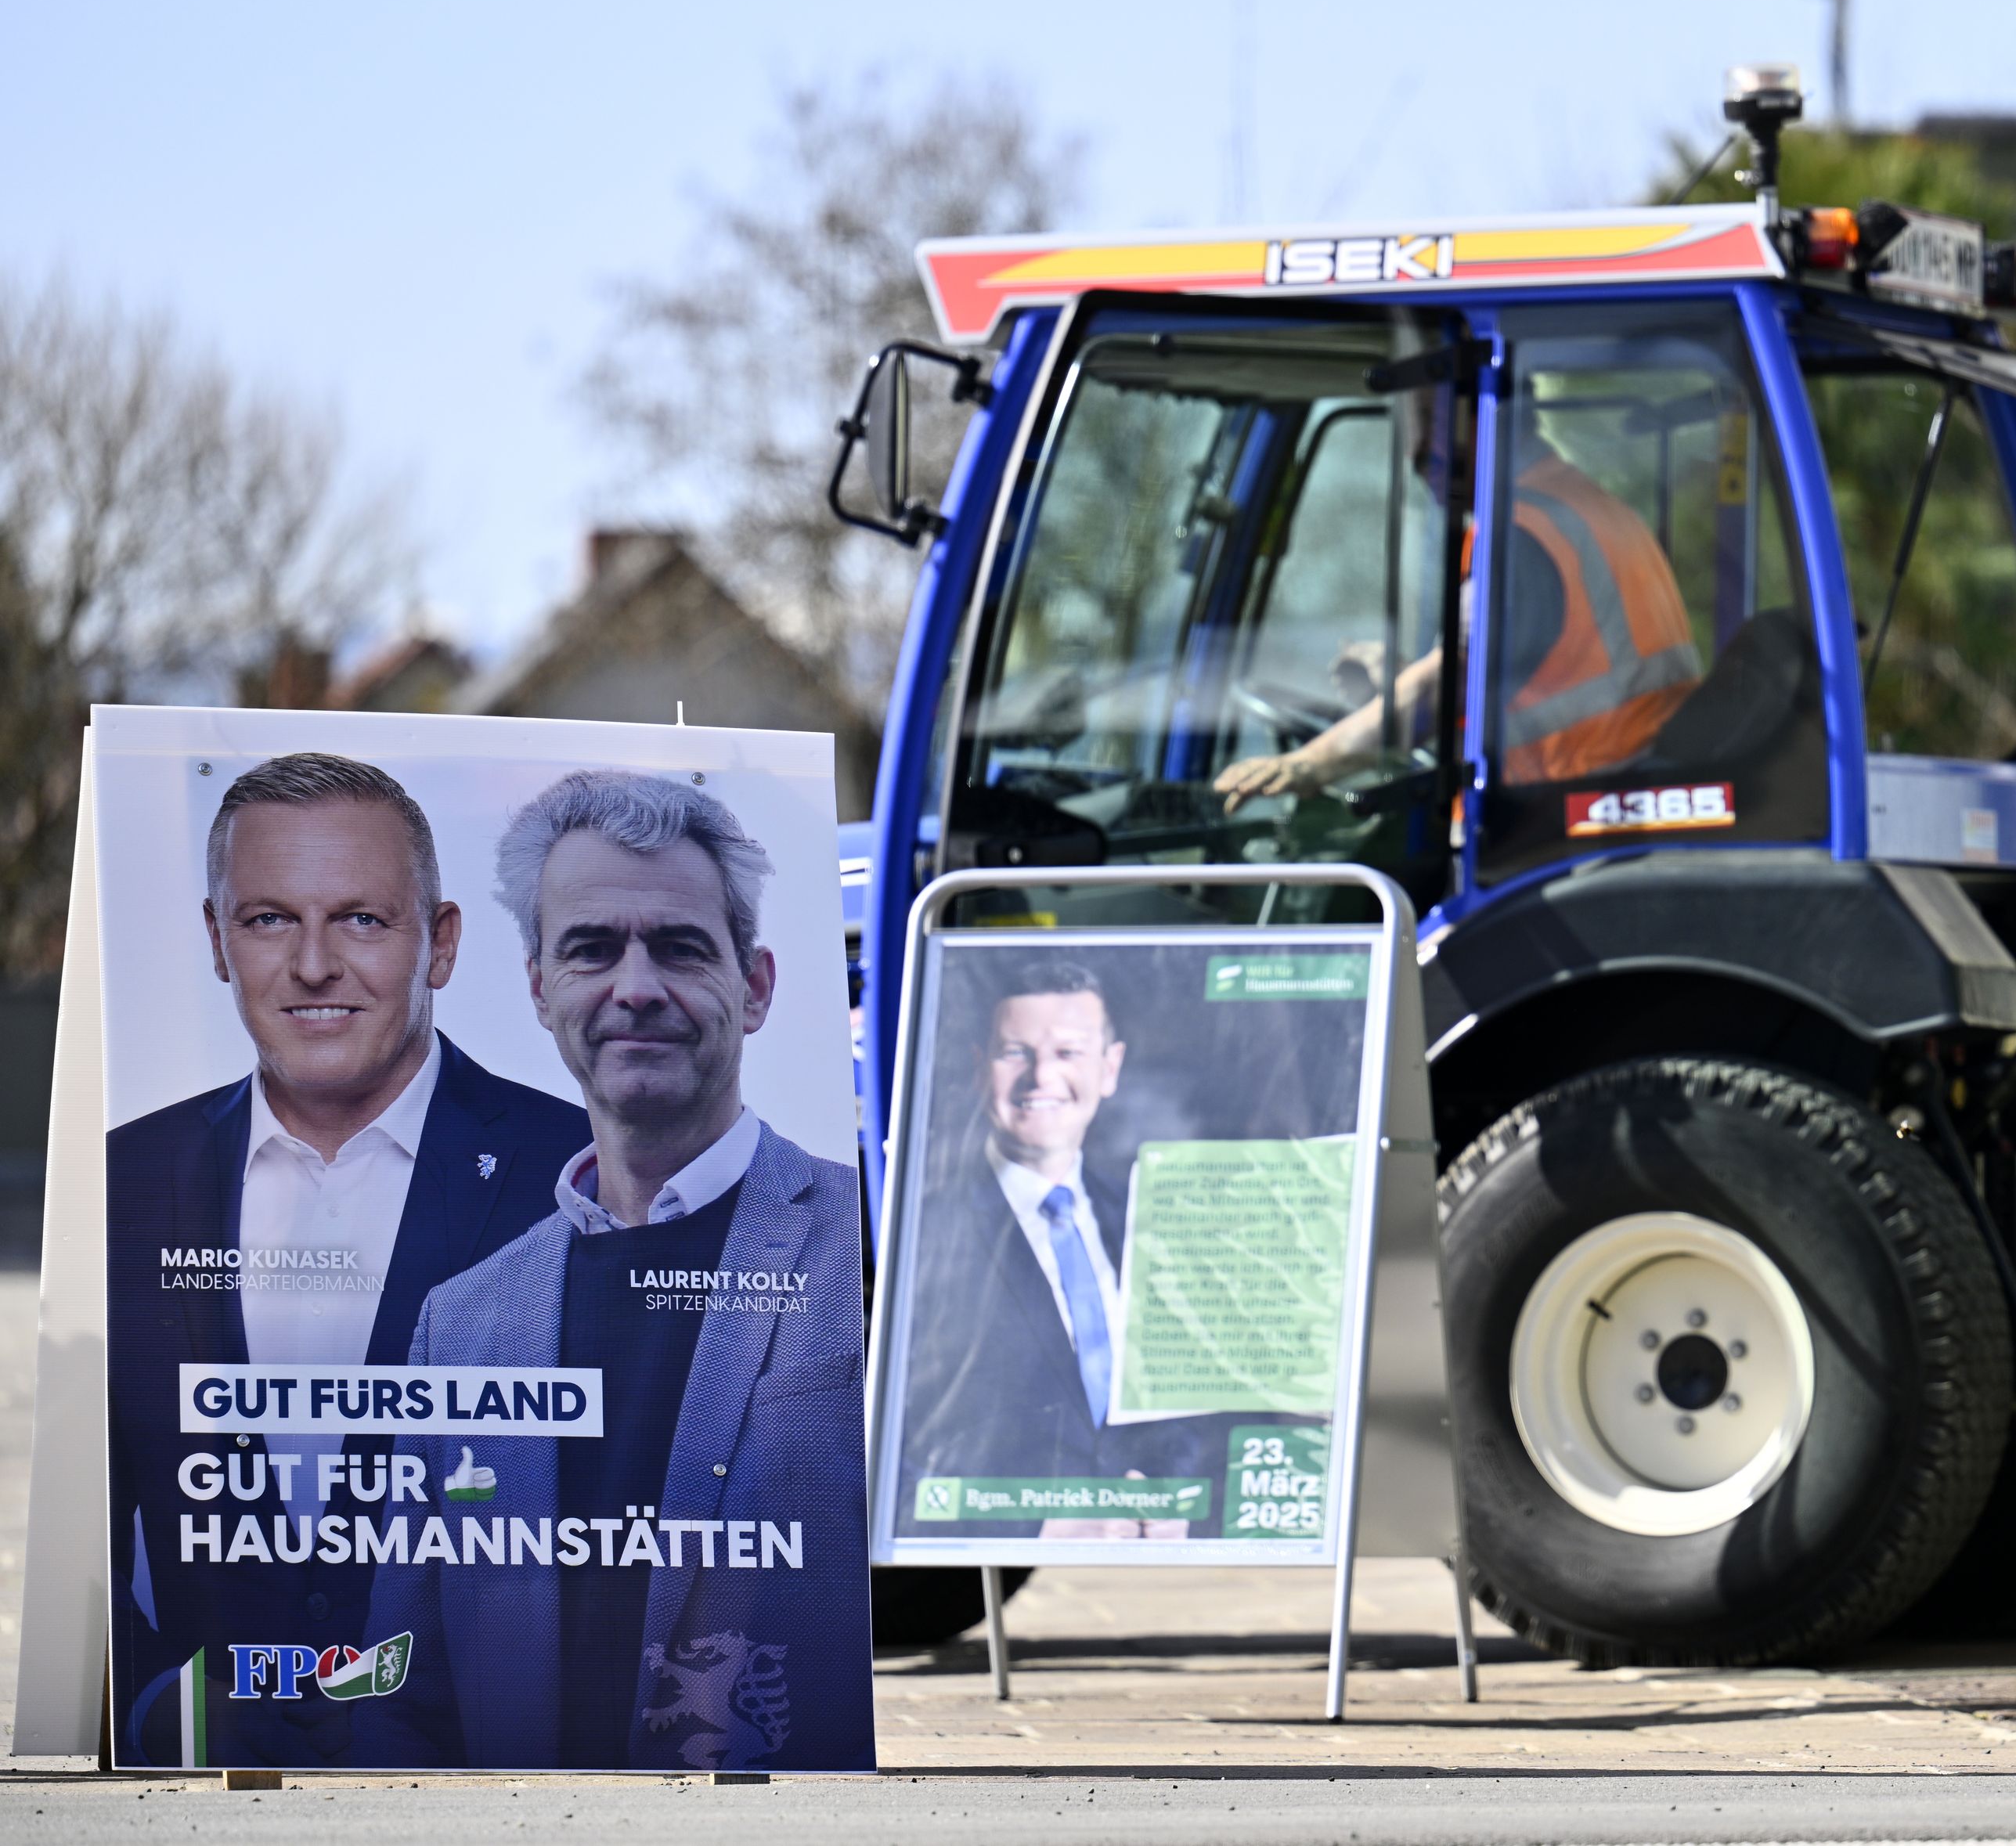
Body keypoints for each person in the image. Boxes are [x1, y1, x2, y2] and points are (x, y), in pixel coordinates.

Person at [359, 770, 870, 1772]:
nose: (635, 987)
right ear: (540, 987)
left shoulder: (860, 1241)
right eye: (591, 948)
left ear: (756, 986)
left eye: (679, 946)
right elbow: (401, 1685)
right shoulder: (460, 1322)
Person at [104, 752, 590, 1770]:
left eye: (362, 919)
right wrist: (162, 1705)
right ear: (218, 940)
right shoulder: (125, 1177)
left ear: (441, 942)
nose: (314, 964)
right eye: (269, 918)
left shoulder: (581, 1175)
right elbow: (84, 1519)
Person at [887, 963, 1224, 1540]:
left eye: (1068, 1052)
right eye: (1015, 1052)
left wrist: (1174, 1499)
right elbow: (884, 1441)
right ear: (979, 1068)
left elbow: (1186, 1398)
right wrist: (1033, 1528)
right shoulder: (923, 1226)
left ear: (1109, 1067)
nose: (1042, 1076)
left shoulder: (1146, 1218)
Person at [1217, 424, 1697, 807]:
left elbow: (1449, 682)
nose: (1418, 447)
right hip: (1622, 791)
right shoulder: (1577, 503)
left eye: (1434, 413)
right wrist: (1403, 678)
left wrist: (1311, 764)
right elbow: (1522, 677)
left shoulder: (1522, 533)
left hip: (1567, 813)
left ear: (1482, 407)